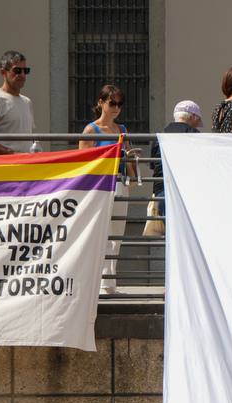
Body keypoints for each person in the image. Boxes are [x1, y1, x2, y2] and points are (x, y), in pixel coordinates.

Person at [80, 84, 137, 295]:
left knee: (117, 234)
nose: (116, 108)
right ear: (101, 102)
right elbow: (84, 162)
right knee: (101, 234)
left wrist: (132, 158)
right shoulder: (90, 130)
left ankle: (110, 283)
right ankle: (99, 282)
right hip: (100, 186)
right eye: (112, 103)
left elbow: (130, 157)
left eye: (120, 104)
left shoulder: (122, 130)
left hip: (120, 183)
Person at [145, 101, 201, 239]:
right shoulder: (195, 135)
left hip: (161, 191)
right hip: (185, 192)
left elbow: (154, 165)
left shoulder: (159, 136)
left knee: (171, 237)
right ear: (193, 117)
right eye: (198, 120)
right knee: (185, 237)